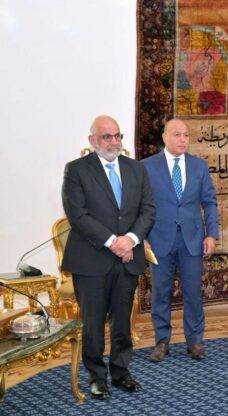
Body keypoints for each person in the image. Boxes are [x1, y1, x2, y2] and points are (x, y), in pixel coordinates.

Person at [61, 115, 155, 400]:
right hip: (91, 260)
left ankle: (120, 371)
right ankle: (96, 376)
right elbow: (78, 215)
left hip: (127, 258)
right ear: (92, 140)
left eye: (117, 136)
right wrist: (114, 242)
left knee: (122, 321)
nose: (114, 142)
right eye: (106, 136)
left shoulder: (136, 168)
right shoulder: (77, 170)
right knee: (92, 322)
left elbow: (148, 210)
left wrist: (131, 240)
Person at [142, 119, 219, 361]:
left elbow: (209, 202)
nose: (183, 139)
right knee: (160, 293)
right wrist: (141, 237)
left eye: (186, 135)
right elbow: (139, 205)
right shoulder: (146, 167)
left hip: (192, 240)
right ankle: (161, 341)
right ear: (164, 137)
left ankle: (194, 341)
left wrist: (211, 234)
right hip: (159, 239)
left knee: (193, 293)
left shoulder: (199, 166)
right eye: (177, 134)